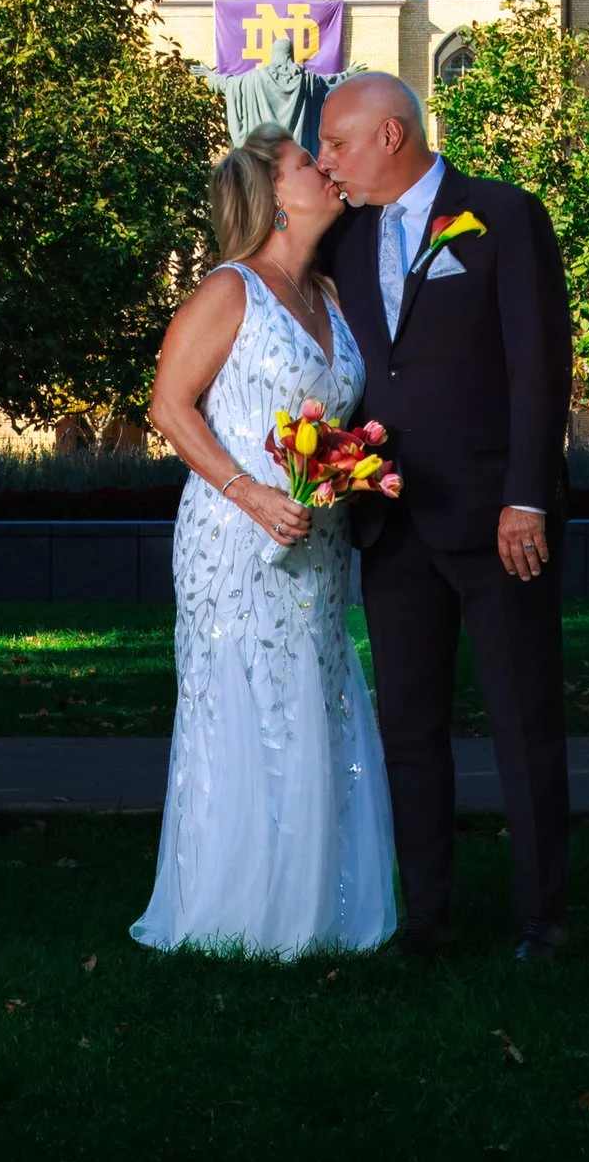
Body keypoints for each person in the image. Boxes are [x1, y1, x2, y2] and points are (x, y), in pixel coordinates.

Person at [316, 73, 573, 961]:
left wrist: (527, 495)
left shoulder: (502, 215)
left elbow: (538, 366)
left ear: (390, 136)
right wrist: (335, 470)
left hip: (501, 519)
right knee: (409, 732)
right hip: (392, 526)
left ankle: (544, 916)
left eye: (337, 145)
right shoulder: (343, 240)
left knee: (522, 718)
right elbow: (353, 379)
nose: (327, 161)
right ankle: (425, 919)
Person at [132, 128, 397, 958]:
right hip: (234, 538)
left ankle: (317, 909)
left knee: (312, 701)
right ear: (277, 196)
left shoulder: (331, 293)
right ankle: (234, 914)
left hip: (318, 543)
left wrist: (349, 468)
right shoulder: (229, 289)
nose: (326, 171)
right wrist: (248, 491)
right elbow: (168, 406)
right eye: (308, 165)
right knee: (245, 706)